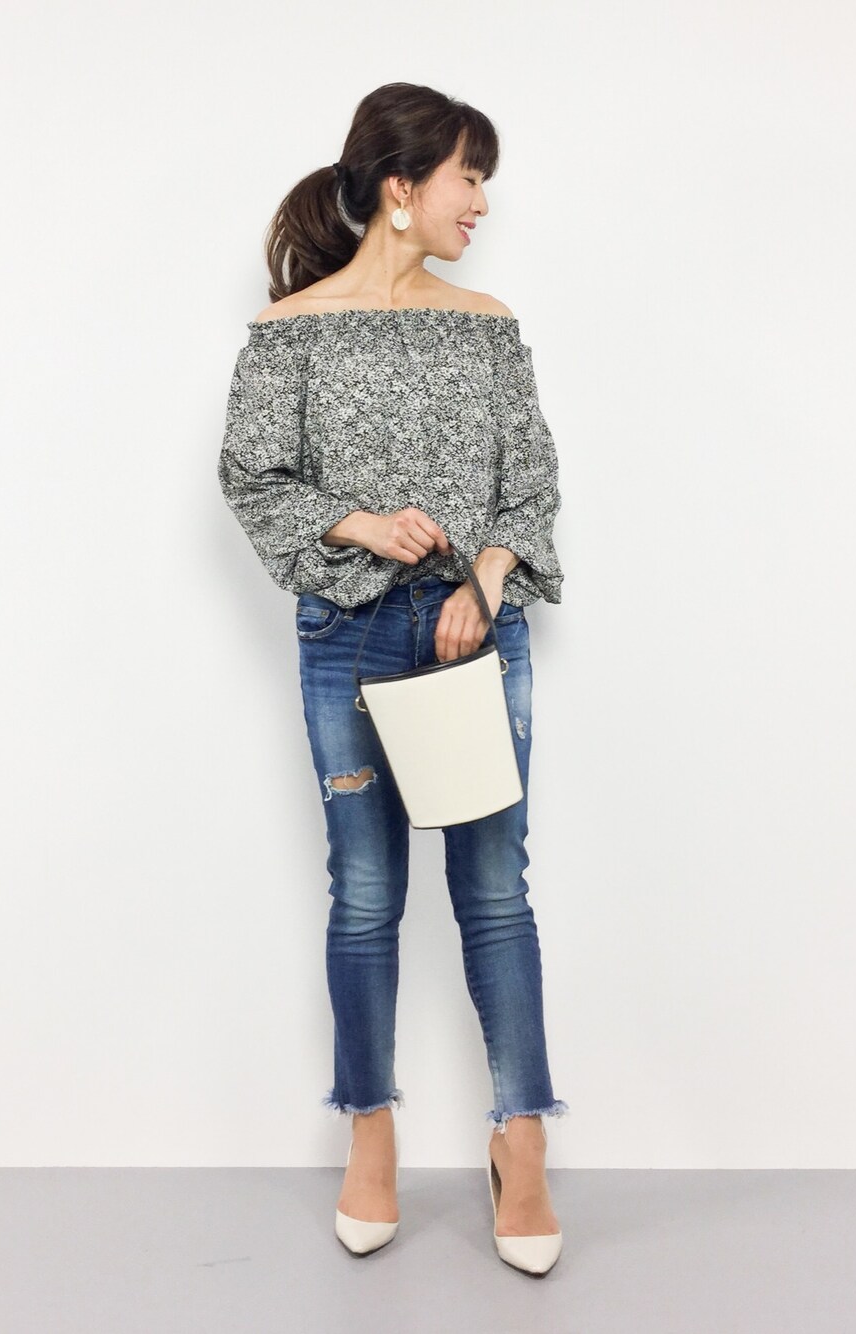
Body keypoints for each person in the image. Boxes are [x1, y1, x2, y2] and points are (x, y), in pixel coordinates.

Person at [217, 82, 568, 1275]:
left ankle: (521, 1138)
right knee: (364, 893)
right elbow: (253, 478)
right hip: (350, 637)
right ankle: (369, 1129)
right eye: (470, 176)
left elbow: (531, 484)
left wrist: (487, 577)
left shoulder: (488, 325)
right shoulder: (288, 332)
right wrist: (360, 522)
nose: (482, 203)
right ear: (400, 188)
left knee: (495, 892)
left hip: (476, 636)